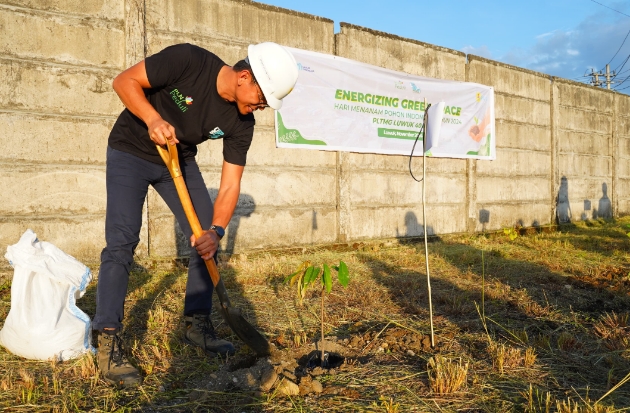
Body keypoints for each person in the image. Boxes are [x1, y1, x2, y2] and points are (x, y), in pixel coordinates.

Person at [92, 42, 299, 388]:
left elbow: (230, 185)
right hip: (131, 149)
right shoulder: (188, 61)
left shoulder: (242, 123)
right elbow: (124, 82)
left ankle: (197, 324)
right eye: (261, 99)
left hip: (178, 159)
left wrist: (217, 230)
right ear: (244, 77)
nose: (260, 108)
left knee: (205, 236)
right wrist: (153, 118)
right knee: (122, 240)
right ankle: (108, 340)